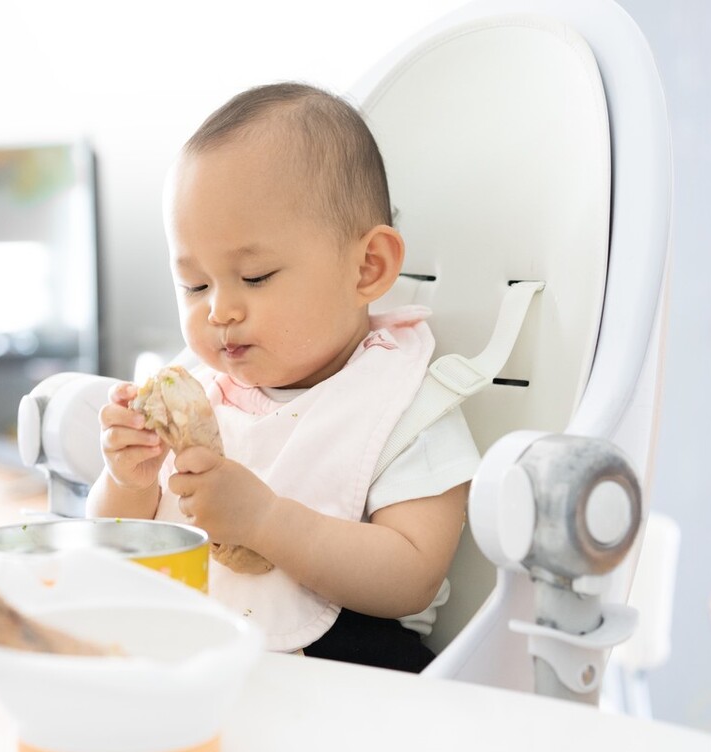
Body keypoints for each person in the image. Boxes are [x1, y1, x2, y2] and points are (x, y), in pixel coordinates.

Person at [87, 82, 480, 671]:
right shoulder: (199, 393)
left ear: (367, 267)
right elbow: (116, 544)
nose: (218, 310)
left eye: (256, 275)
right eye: (194, 285)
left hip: (347, 680)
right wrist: (132, 480)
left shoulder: (404, 404)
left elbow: (412, 576)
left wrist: (268, 522)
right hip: (203, 669)